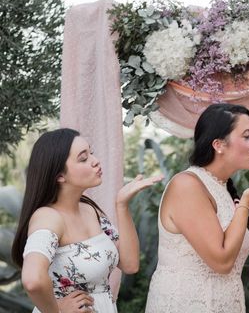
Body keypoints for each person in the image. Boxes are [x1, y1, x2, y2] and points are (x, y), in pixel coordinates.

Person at [145, 103, 249, 313]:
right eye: (247, 136)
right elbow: (221, 261)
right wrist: (245, 205)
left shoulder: (223, 189)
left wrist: (244, 206)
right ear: (219, 145)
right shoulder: (187, 185)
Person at [11, 128, 162, 313]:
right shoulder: (48, 217)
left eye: (91, 153)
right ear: (59, 175)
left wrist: (122, 205)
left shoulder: (90, 209)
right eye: (83, 158)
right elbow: (32, 280)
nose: (95, 161)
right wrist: (56, 311)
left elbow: (130, 264)